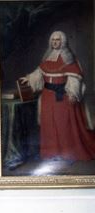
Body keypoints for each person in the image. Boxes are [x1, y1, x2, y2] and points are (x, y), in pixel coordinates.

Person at [20, 30, 95, 161]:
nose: (55, 42)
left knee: (63, 126)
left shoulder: (69, 58)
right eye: (53, 40)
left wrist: (72, 92)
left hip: (63, 97)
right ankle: (52, 154)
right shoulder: (48, 57)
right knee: (49, 125)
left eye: (58, 40)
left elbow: (75, 78)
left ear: (63, 41)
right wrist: (29, 78)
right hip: (47, 97)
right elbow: (39, 72)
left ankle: (67, 153)